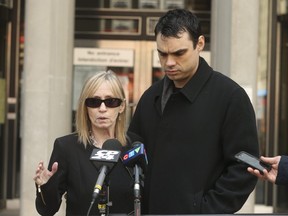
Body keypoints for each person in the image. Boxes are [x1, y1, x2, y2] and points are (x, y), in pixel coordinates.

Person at [128, 9, 259, 214]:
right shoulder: (149, 97)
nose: (169, 62)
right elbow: (132, 157)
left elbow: (246, 168)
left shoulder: (230, 97)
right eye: (162, 54)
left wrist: (205, 210)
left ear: (199, 44)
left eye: (179, 53)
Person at [33, 70, 135, 215]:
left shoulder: (134, 146)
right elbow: (47, 210)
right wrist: (45, 186)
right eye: (94, 102)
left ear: (122, 106)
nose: (102, 109)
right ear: (85, 107)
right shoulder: (66, 147)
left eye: (111, 101)